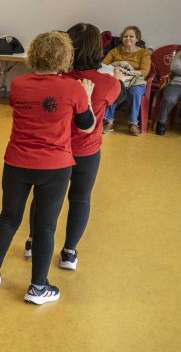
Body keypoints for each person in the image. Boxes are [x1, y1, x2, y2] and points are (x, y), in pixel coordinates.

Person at [0, 31, 95, 305]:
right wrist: (88, 97)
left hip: (16, 162)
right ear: (64, 57)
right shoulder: (74, 88)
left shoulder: (18, 83)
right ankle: (38, 288)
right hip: (54, 167)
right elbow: (87, 126)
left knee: (8, 218)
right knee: (45, 227)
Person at [24, 23, 126, 268]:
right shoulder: (107, 83)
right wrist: (119, 80)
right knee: (80, 197)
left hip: (53, 149)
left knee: (43, 196)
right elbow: (119, 97)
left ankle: (33, 241)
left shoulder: (56, 79)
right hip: (86, 150)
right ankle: (69, 253)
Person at [102, 25, 151, 136]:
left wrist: (129, 72)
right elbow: (103, 66)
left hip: (135, 81)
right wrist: (117, 64)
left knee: (135, 92)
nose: (128, 38)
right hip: (118, 79)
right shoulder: (115, 51)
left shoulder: (144, 53)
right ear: (122, 38)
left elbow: (144, 72)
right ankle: (108, 121)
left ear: (137, 38)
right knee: (113, 89)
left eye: (131, 36)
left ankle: (133, 123)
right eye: (125, 36)